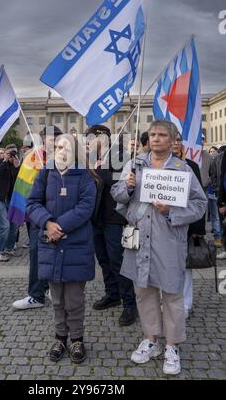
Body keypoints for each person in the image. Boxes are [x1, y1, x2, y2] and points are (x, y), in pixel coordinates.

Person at [111, 120, 207, 375]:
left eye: (162, 135)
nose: (155, 138)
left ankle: (172, 346)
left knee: (172, 294)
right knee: (144, 291)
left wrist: (172, 211)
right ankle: (151, 339)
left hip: (169, 240)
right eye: (152, 134)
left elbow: (200, 204)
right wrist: (128, 187)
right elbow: (117, 195)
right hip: (139, 239)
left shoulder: (183, 169)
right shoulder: (134, 164)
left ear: (173, 140)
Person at [27, 134, 96, 363]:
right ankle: (60, 337)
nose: (60, 151)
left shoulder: (85, 176)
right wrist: (47, 222)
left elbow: (86, 207)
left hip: (76, 245)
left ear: (75, 151)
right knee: (56, 299)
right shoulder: (45, 174)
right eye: (57, 146)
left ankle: (77, 339)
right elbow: (33, 203)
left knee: (74, 299)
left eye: (66, 147)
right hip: (51, 245)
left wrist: (61, 226)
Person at [86, 125, 137, 326]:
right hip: (97, 217)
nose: (88, 143)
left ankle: (129, 303)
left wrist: (97, 168)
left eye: (90, 139)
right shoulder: (92, 158)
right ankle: (112, 294)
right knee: (104, 260)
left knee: (118, 261)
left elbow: (118, 183)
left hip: (115, 217)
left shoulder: (121, 156)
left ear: (102, 138)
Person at [12, 126, 62, 309]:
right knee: (36, 253)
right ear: (42, 140)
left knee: (56, 253)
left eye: (57, 137)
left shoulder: (67, 157)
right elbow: (24, 185)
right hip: (38, 216)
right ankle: (36, 295)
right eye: (50, 138)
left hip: (59, 215)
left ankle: (49, 288)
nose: (54, 141)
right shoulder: (33, 157)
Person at [172, 133, 206, 318]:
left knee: (185, 267)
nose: (176, 143)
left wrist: (198, 230)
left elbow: (199, 199)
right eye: (173, 140)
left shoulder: (191, 166)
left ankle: (185, 304)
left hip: (186, 224)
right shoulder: (157, 167)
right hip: (165, 225)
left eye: (178, 140)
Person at [0, 144, 20, 261]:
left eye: (14, 153)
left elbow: (18, 181)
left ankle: (9, 249)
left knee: (14, 226)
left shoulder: (14, 165)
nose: (11, 155)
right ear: (4, 153)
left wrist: (17, 166)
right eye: (9, 153)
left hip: (12, 199)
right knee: (5, 226)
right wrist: (4, 160)